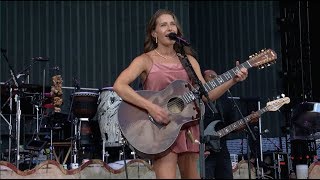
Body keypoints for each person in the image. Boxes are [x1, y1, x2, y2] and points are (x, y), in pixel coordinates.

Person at [113, 9, 248, 179]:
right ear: (154, 33)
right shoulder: (145, 60)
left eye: (172, 24)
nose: (169, 27)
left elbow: (206, 95)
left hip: (188, 128)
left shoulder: (188, 61)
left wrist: (233, 80)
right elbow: (119, 86)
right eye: (163, 25)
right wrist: (152, 108)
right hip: (161, 128)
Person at [203, 69, 261, 179]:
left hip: (221, 149)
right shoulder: (198, 101)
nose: (217, 79)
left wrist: (250, 121)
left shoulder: (225, 100)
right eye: (211, 76)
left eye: (217, 76)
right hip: (202, 150)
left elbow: (234, 127)